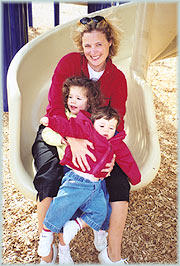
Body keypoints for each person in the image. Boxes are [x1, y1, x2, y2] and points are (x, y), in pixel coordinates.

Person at [32, 15, 133, 264]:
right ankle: (46, 250)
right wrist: (71, 139)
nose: (93, 51)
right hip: (58, 131)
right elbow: (54, 109)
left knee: (119, 182)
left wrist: (109, 159)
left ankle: (112, 254)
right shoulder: (68, 63)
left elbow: (116, 123)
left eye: (99, 44)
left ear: (110, 43)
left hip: (99, 143)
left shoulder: (117, 78)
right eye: (87, 45)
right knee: (50, 177)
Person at [37, 105, 141, 264]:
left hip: (95, 187)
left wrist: (136, 178)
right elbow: (66, 127)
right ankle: (46, 234)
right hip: (76, 182)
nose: (106, 130)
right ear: (93, 124)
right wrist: (50, 121)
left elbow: (127, 160)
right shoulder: (86, 132)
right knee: (61, 208)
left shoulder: (116, 143)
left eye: (111, 127)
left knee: (100, 213)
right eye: (102, 126)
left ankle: (76, 226)